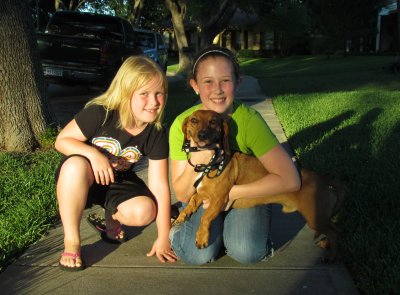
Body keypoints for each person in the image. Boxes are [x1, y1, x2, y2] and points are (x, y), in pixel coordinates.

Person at [168, 45, 301, 265]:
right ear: (195, 86)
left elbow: (290, 179)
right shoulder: (183, 125)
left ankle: (234, 227)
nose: (217, 90)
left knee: (247, 250)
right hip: (203, 194)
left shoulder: (248, 121)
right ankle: (180, 231)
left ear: (238, 83)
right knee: (197, 254)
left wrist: (231, 192)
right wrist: (196, 161)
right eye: (208, 81)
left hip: (244, 190)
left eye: (225, 81)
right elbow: (183, 194)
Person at [55, 56, 177, 271]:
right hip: (83, 175)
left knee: (145, 211)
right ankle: (72, 241)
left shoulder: (156, 133)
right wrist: (93, 155)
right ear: (125, 93)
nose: (154, 101)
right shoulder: (100, 114)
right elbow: (61, 141)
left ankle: (110, 217)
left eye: (159, 93)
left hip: (117, 179)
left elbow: (159, 185)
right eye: (144, 94)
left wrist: (163, 236)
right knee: (75, 166)